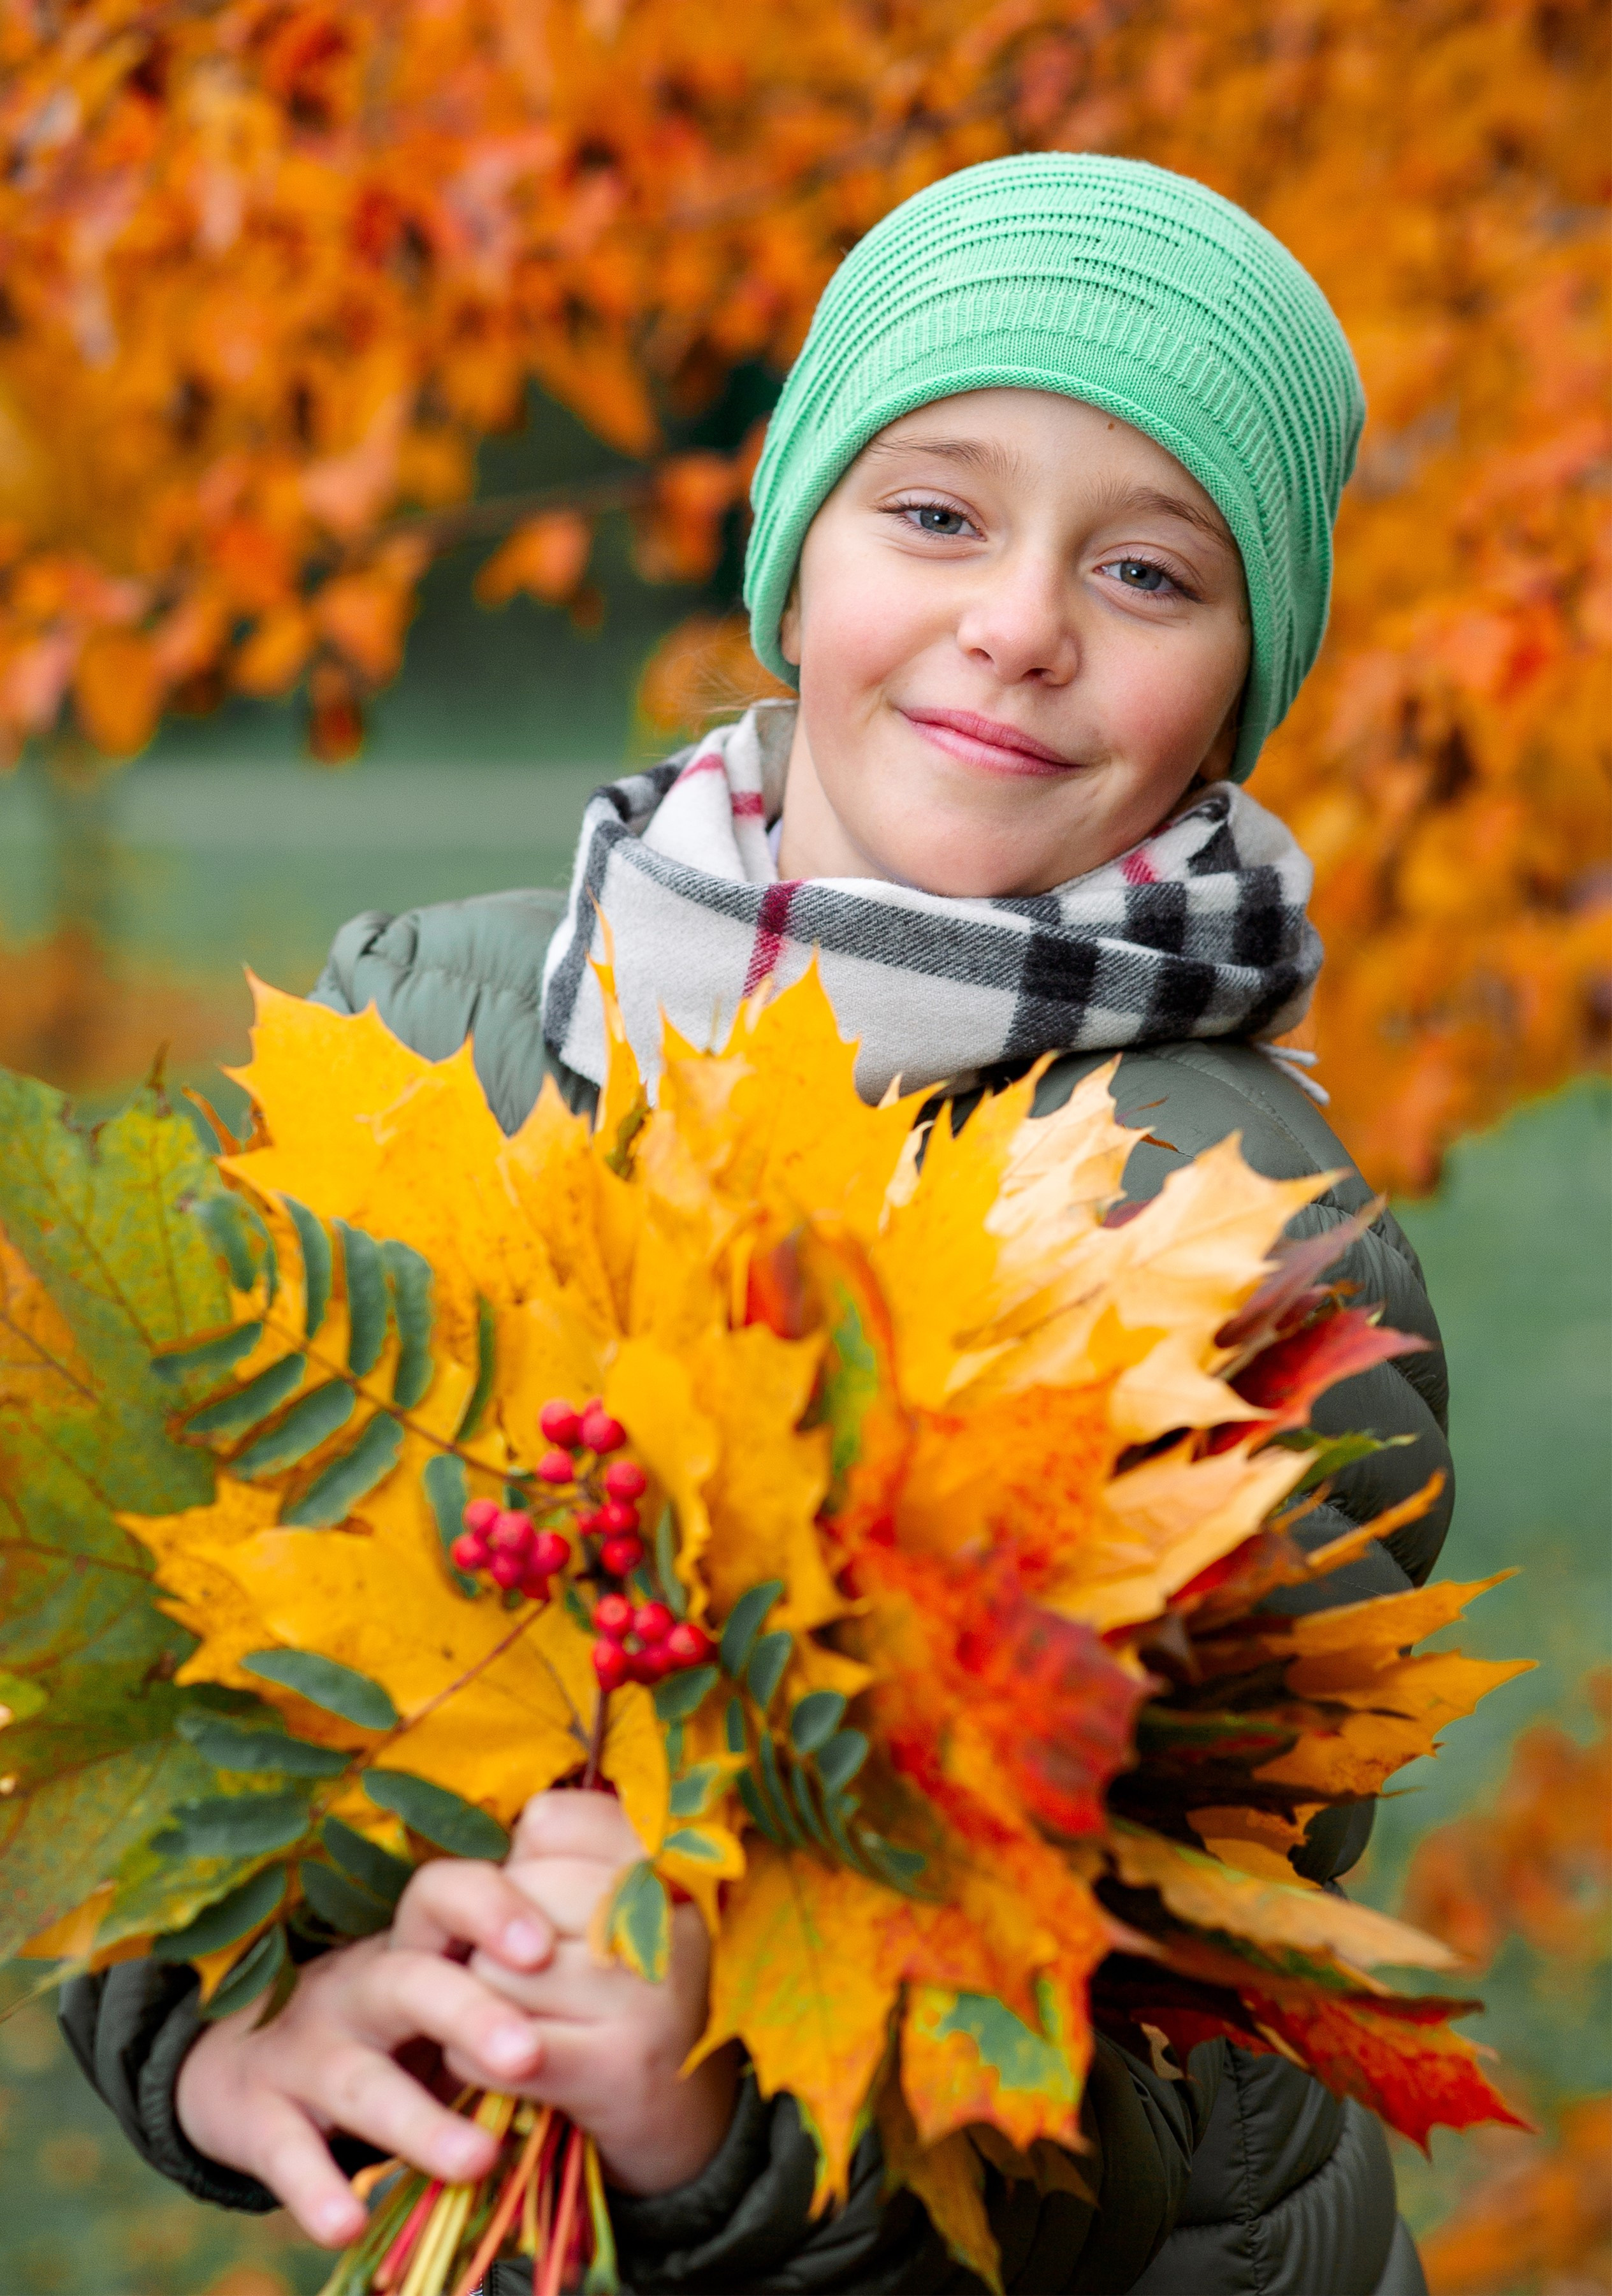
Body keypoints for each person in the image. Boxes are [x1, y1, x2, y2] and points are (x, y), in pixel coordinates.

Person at [62, 154, 1451, 2295]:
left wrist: (719, 2127)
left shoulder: (1232, 1244)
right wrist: (225, 2031)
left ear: (1233, 695)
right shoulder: (420, 1027)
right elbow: (139, 1660)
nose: (1020, 619)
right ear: (788, 560)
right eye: (935, 513)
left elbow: (1175, 2065)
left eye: (1152, 573)